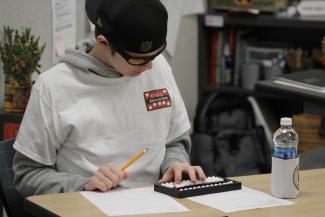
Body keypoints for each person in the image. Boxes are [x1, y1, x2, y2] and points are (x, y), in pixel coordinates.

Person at [13, 0, 206, 197]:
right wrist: (83, 185)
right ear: (103, 43)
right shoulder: (53, 87)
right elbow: (27, 175)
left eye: (154, 56)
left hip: (159, 203)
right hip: (89, 207)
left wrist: (175, 164)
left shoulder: (158, 67)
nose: (149, 67)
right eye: (138, 60)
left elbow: (175, 141)